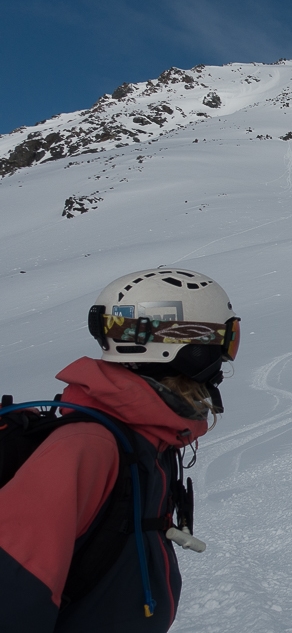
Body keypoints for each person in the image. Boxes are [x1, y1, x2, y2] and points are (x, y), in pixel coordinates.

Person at [0, 268, 240, 633]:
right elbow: (14, 591)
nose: (226, 357)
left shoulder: (147, 437)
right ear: (188, 347)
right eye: (226, 339)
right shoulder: (89, 447)